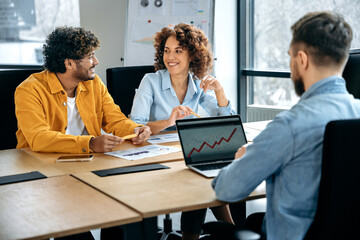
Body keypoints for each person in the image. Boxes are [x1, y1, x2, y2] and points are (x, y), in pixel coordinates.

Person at [212, 11, 360, 240]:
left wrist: (242, 158)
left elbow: (227, 190)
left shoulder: (290, 125)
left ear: (302, 59)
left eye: (290, 56)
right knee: (253, 220)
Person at [130, 23, 235, 240]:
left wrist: (220, 91)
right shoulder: (150, 81)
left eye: (178, 51)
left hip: (188, 153)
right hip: (157, 157)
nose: (171, 57)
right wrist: (169, 121)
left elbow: (226, 122)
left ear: (193, 56)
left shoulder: (197, 84)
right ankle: (212, 232)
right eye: (167, 50)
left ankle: (229, 231)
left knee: (205, 172)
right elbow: (135, 126)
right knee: (200, 178)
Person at [15, 26, 151, 155]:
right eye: (90, 56)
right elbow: (39, 138)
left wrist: (135, 129)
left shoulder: (94, 83)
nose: (96, 61)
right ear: (69, 63)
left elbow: (115, 119)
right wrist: (90, 144)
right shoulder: (29, 90)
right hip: (40, 163)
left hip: (87, 160)